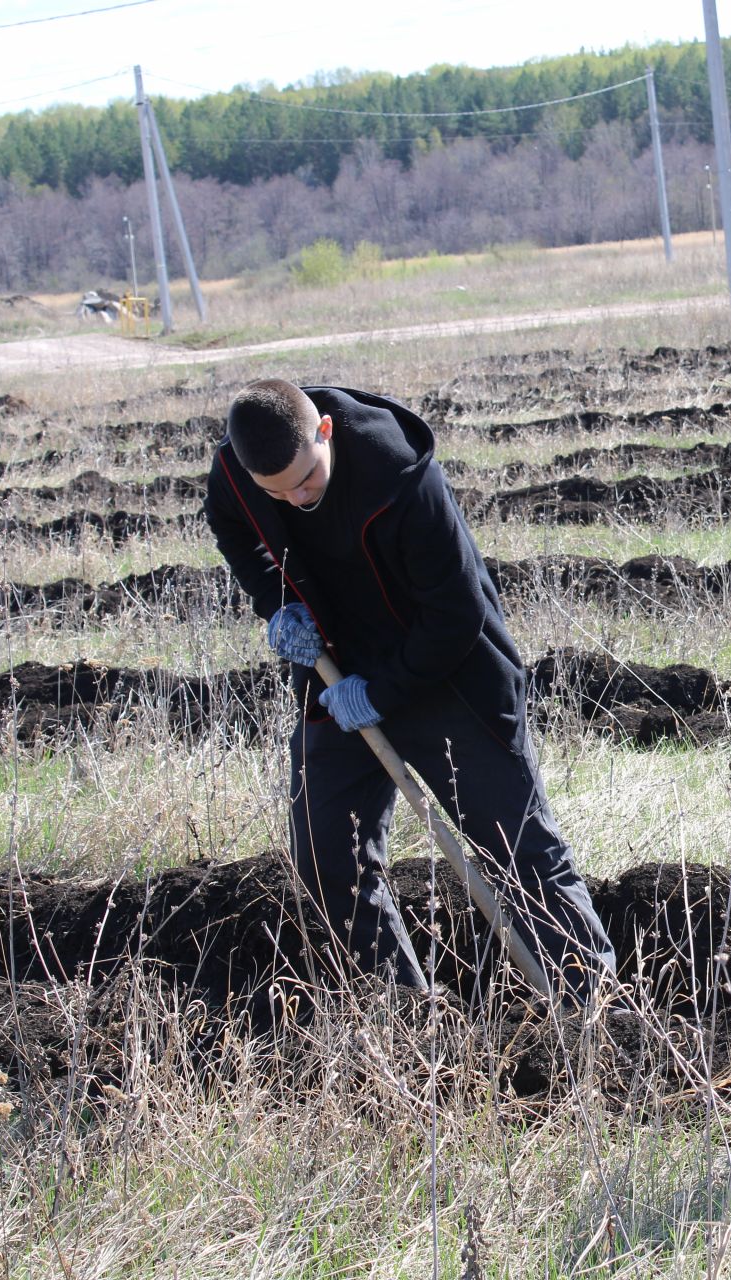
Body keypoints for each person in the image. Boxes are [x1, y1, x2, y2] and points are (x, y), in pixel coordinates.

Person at [204, 378, 616, 1003]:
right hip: (336, 679)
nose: (296, 499)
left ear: (326, 433)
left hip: (447, 675)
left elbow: (457, 613)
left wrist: (384, 691)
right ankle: (403, 1019)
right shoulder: (240, 468)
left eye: (307, 481)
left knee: (517, 848)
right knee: (327, 858)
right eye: (277, 493)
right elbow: (232, 527)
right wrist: (279, 604)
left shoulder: (399, 474)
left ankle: (592, 1014)